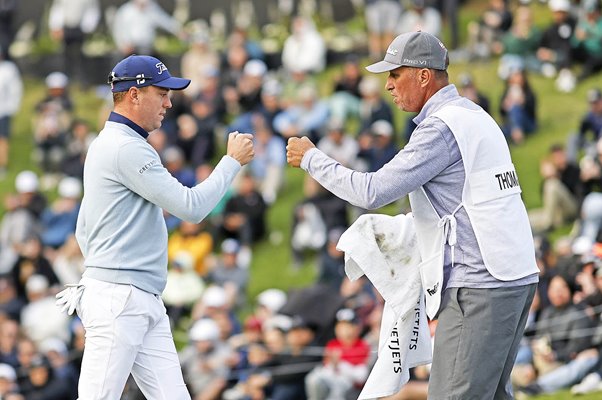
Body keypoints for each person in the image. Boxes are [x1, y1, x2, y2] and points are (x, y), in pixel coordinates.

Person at [286, 31, 539, 399]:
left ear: (423, 75)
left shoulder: (440, 128)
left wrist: (312, 159)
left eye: (394, 74)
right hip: (513, 275)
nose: (387, 85)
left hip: (480, 284)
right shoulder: (474, 115)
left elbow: (371, 192)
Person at [55, 54, 254, 399]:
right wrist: (231, 162)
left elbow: (84, 229)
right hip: (121, 298)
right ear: (134, 94)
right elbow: (191, 208)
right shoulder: (125, 148)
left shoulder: (115, 144)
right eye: (162, 93)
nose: (169, 102)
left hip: (136, 295)